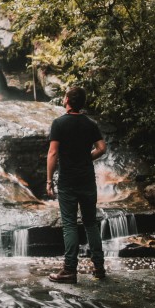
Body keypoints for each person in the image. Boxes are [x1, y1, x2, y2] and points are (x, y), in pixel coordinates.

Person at [46, 86, 107, 284]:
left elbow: (53, 153)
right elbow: (102, 148)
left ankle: (69, 270)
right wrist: (88, 157)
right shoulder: (90, 124)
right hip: (87, 179)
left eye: (65, 96)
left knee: (70, 224)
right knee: (90, 223)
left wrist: (49, 180)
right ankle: (99, 267)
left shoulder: (59, 124)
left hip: (68, 181)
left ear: (67, 101)